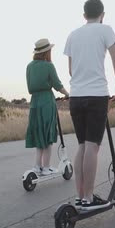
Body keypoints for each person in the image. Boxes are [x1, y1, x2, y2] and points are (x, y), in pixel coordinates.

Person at [64, 0, 115, 211]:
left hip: (76, 96)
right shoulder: (105, 30)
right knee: (93, 146)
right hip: (97, 95)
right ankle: (89, 197)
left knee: (82, 145)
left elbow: (72, 71)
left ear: (84, 15)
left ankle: (81, 196)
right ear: (102, 14)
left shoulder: (73, 35)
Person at [25, 38, 70, 176]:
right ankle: (46, 167)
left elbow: (30, 88)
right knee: (48, 133)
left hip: (34, 102)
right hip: (46, 101)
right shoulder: (49, 66)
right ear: (47, 52)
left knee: (39, 134)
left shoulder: (29, 66)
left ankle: (37, 166)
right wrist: (67, 94)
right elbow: (57, 84)